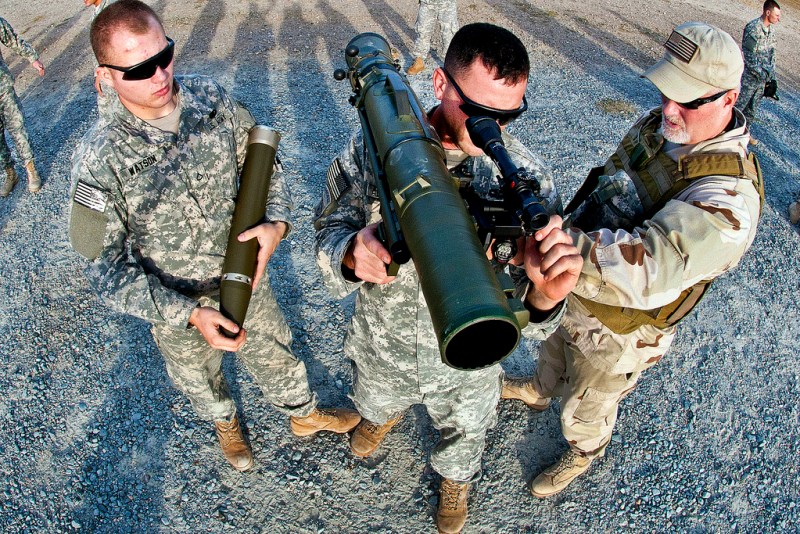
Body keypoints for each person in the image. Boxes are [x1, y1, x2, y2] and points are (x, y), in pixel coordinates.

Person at [69, 0, 359, 473]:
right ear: (105, 76)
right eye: (140, 68)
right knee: (199, 377)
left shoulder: (212, 100)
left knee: (275, 351)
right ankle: (225, 422)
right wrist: (188, 314)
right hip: (178, 307)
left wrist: (277, 223)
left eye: (165, 55)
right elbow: (104, 269)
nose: (160, 75)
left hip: (246, 277)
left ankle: (302, 414)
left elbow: (263, 163)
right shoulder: (96, 161)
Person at [315, 23, 582, 533]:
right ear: (440, 84)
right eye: (479, 111)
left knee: (466, 431)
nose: (494, 130)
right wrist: (351, 255)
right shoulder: (376, 145)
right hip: (385, 343)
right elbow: (326, 231)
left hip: (472, 362)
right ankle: (378, 419)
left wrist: (546, 297)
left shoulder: (526, 178)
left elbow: (535, 317)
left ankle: (455, 481)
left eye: (509, 114)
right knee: (374, 395)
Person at [503, 22, 764, 498]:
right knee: (554, 348)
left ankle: (585, 449)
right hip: (574, 291)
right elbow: (609, 184)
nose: (668, 108)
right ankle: (539, 391)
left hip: (620, 326)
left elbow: (651, 267)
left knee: (586, 402)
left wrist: (555, 246)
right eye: (666, 90)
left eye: (687, 99)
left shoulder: (729, 200)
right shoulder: (659, 126)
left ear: (729, 99)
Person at [0, 16, 44, 197]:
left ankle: (31, 170)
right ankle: (10, 173)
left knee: (18, 130)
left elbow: (13, 39)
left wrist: (32, 58)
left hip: (2, 89)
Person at [738, 0, 781, 145]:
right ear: (767, 12)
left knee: (751, 110)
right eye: (776, 15)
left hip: (762, 82)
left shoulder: (771, 32)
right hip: (750, 79)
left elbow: (772, 56)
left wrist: (772, 79)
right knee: (739, 106)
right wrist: (763, 76)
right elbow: (749, 56)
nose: (778, 18)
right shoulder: (753, 28)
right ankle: (726, 133)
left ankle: (744, 134)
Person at [407, 0, 458, 76]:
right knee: (423, 31)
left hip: (447, 4)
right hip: (427, 3)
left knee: (449, 34)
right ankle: (419, 60)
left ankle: (451, 63)